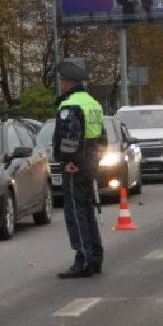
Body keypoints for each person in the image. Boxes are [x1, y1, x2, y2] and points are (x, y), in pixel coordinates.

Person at [52, 59, 105, 278]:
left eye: (62, 81)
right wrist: (94, 161)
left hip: (75, 166)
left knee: (75, 213)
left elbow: (70, 137)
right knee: (88, 212)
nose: (61, 85)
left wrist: (69, 161)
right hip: (89, 164)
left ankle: (83, 259)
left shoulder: (70, 105)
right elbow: (102, 138)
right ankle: (95, 257)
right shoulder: (93, 103)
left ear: (68, 83)